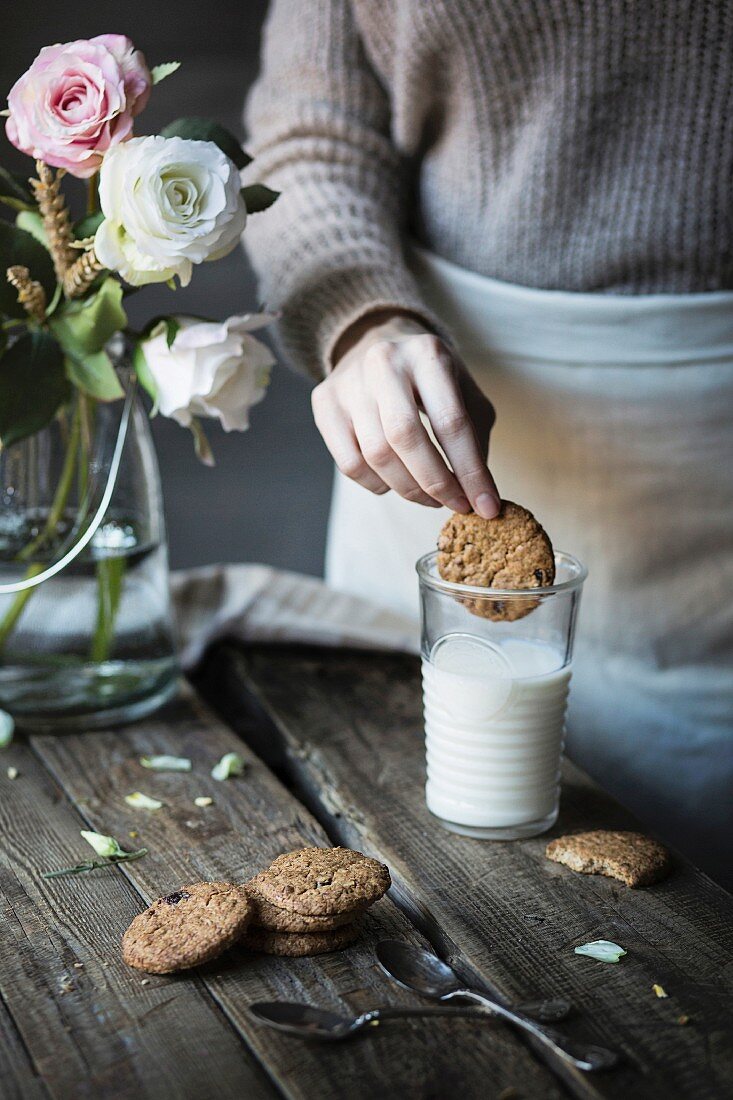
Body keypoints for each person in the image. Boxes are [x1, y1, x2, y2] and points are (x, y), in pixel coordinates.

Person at [242, 0, 733, 884]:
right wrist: (362, 320)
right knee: (433, 868)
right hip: (424, 421)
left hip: (711, 482)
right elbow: (309, 136)